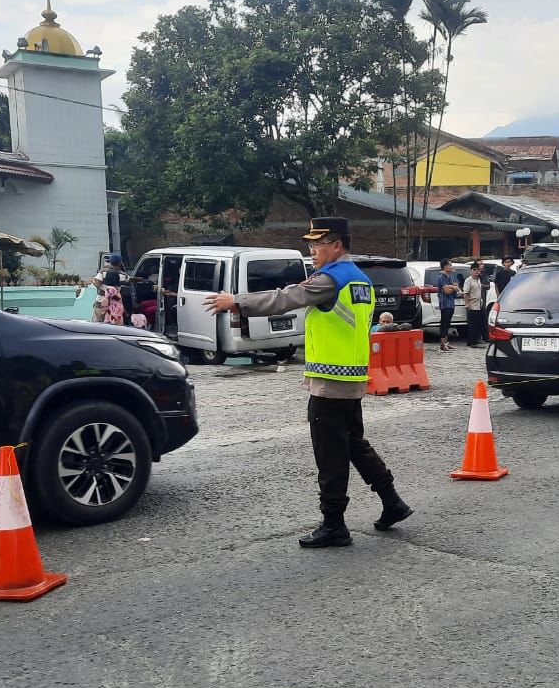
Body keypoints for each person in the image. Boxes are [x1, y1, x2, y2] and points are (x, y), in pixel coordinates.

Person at [202, 217, 412, 548]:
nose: (312, 250)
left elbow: (285, 299)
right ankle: (392, 501)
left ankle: (334, 524)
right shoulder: (359, 278)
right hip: (352, 376)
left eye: (318, 244)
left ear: (337, 245)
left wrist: (237, 301)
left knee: (330, 454)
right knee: (354, 444)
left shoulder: (331, 280)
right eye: (311, 245)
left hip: (330, 381)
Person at [434, 258, 459, 351]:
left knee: (448, 323)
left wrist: (452, 286)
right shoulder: (441, 277)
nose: (451, 267)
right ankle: (442, 344)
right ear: (445, 266)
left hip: (451, 303)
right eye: (450, 265)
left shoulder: (450, 277)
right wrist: (452, 287)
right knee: (444, 323)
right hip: (445, 303)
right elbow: (447, 291)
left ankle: (446, 342)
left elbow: (457, 288)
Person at [463, 262, 487, 347]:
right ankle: (472, 342)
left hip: (479, 304)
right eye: (474, 270)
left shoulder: (478, 280)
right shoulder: (468, 280)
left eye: (478, 269)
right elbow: (466, 293)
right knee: (472, 324)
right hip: (472, 305)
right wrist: (466, 304)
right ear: (471, 271)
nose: (476, 271)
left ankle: (476, 340)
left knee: (479, 323)